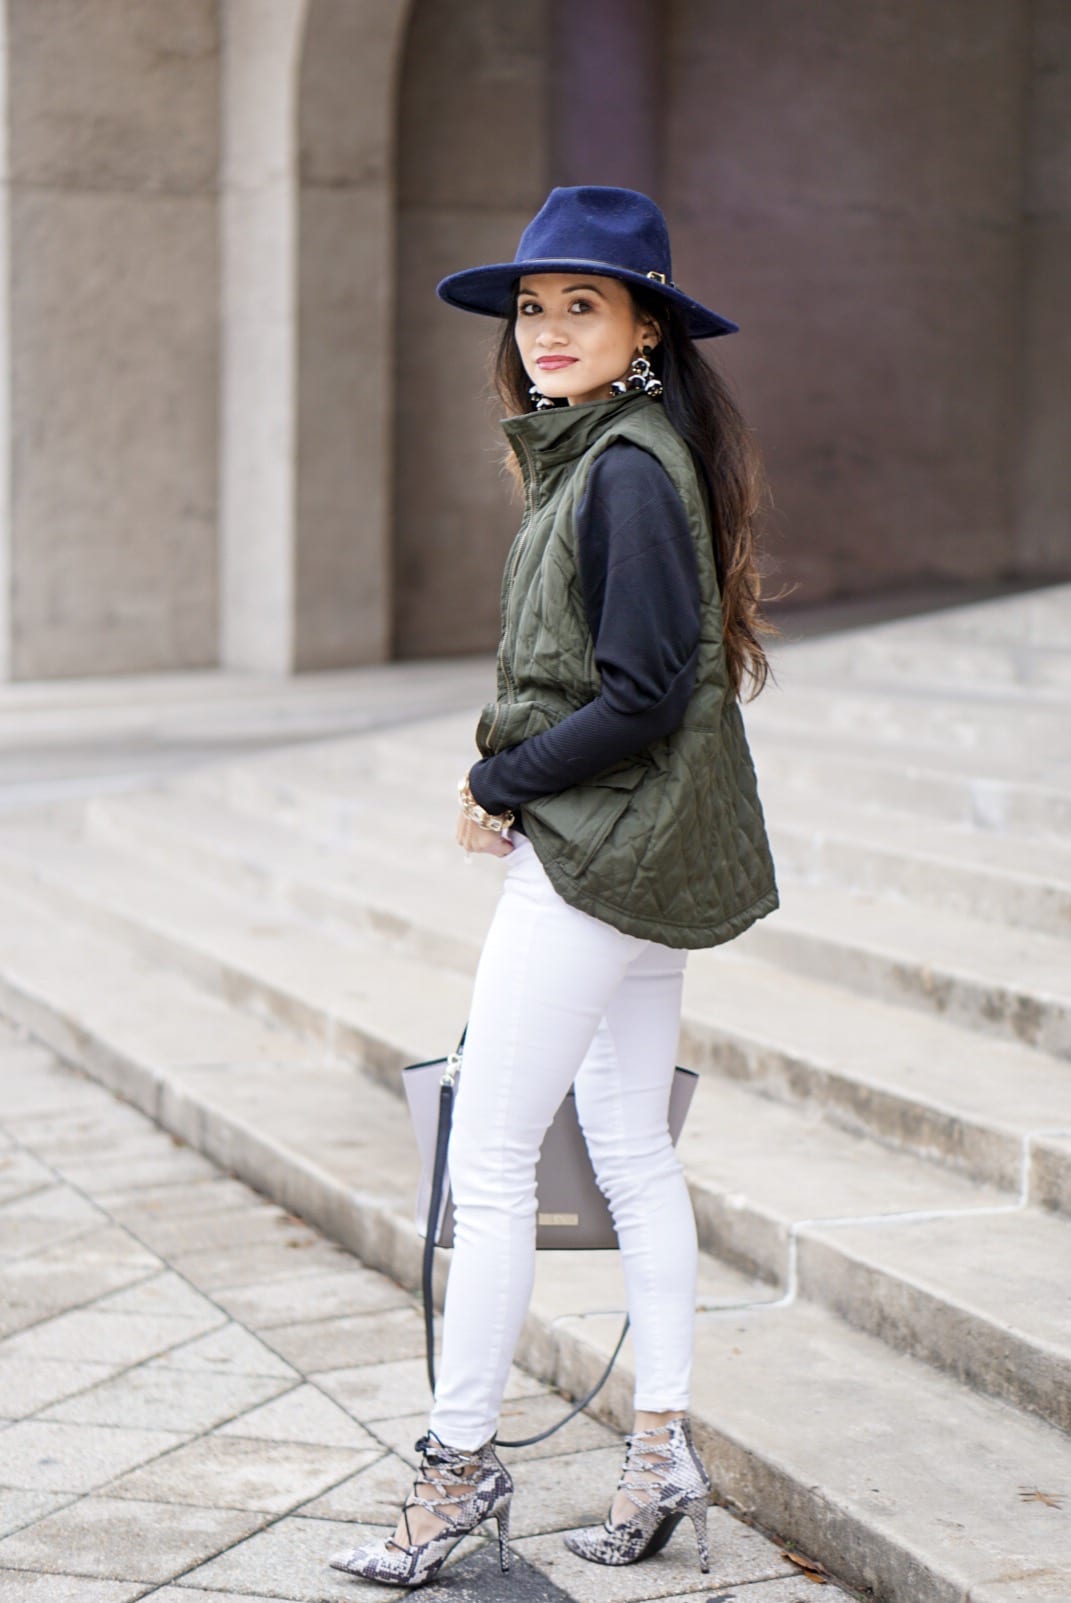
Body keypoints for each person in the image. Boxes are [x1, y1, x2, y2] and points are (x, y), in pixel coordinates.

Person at [329, 185, 780, 1590]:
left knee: (494, 1160)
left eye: (582, 305)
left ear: (645, 325)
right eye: (532, 307)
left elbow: (644, 692)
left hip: (603, 858)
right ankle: (659, 1459)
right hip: (631, 847)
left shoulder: (629, 471)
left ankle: (459, 1473)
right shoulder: (604, 457)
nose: (546, 331)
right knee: (631, 1146)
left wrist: (497, 784)